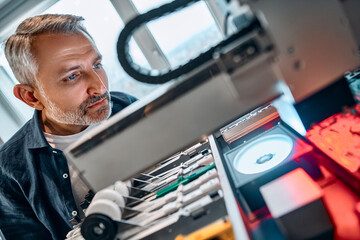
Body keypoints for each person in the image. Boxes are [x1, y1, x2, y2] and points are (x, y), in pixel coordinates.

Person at [0, 14, 137, 240]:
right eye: (72, 76)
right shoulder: (9, 170)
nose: (100, 87)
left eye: (97, 65)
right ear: (30, 96)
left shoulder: (127, 108)